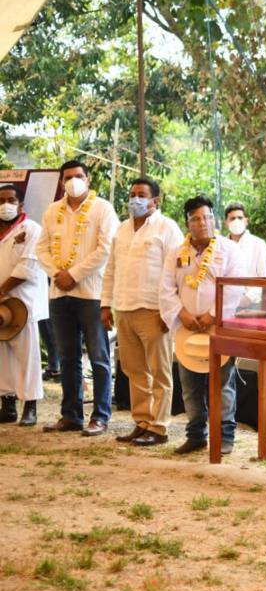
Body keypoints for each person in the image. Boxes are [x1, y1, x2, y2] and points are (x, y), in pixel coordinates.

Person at [36, 160, 119, 436]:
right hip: (59, 293)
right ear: (62, 183)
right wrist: (57, 273)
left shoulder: (103, 209)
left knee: (98, 356)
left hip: (92, 293)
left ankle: (101, 416)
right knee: (67, 356)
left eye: (78, 176)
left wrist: (74, 273)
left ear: (88, 179)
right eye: (68, 177)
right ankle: (71, 415)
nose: (73, 181)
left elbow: (105, 249)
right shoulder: (51, 211)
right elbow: (42, 248)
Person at [101, 177, 184, 446]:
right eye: (132, 194)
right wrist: (105, 304)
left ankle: (159, 428)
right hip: (124, 308)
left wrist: (168, 311)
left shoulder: (167, 228)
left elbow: (176, 273)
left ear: (155, 200)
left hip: (154, 310)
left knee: (159, 371)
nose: (135, 199)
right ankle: (142, 422)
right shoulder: (122, 230)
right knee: (133, 369)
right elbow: (111, 269)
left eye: (141, 195)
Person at [159, 195, 243, 455]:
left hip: (218, 327)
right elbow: (165, 289)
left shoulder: (229, 250)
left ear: (214, 219)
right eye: (196, 218)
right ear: (187, 223)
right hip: (187, 328)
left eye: (207, 217)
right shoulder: (176, 253)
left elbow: (234, 288)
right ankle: (196, 435)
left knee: (223, 384)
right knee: (190, 385)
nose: (203, 223)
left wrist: (213, 315)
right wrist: (181, 314)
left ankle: (225, 435)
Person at [0, 184, 48, 426]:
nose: (5, 205)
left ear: (21, 205)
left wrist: (2, 290)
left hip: (21, 301)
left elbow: (27, 267)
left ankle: (30, 405)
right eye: (1, 201)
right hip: (0, 305)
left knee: (26, 354)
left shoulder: (32, 229)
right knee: (1, 355)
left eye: (10, 200)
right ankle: (7, 404)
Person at [224, 202, 266, 307]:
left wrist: (247, 298)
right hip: (225, 304)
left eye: (240, 218)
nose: (236, 221)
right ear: (225, 223)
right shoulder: (221, 246)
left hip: (253, 305)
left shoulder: (258, 244)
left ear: (246, 221)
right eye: (232, 218)